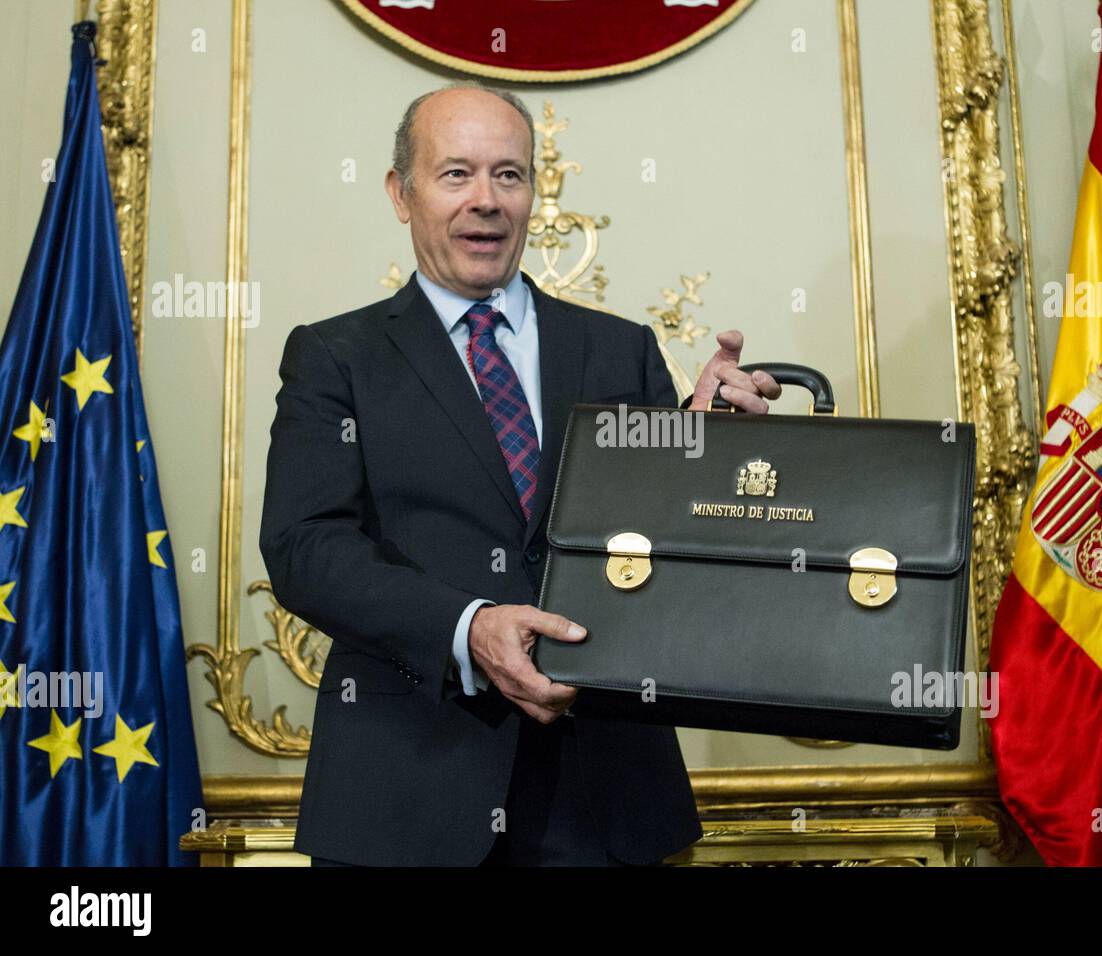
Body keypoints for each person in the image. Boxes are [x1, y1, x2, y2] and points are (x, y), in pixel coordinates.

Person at [260, 81, 781, 866]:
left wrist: (713, 449)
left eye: (509, 174)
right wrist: (468, 627)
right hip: (406, 797)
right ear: (401, 194)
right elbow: (304, 548)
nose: (488, 200)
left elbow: (668, 549)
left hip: (606, 799)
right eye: (456, 174)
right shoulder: (336, 358)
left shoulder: (620, 349)